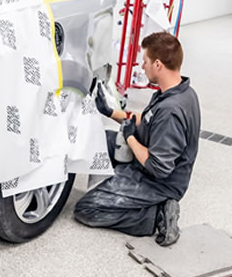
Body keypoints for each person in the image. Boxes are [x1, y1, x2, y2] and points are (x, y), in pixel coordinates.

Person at [74, 31, 200, 246]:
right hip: (149, 155)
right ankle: (120, 185)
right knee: (101, 139)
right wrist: (110, 112)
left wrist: (131, 138)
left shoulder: (172, 111)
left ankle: (156, 216)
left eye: (145, 61)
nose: (143, 67)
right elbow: (148, 119)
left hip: (159, 182)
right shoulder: (178, 91)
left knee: (87, 209)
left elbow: (159, 167)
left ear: (158, 64)